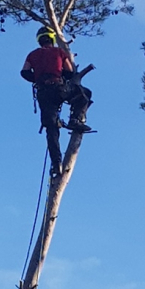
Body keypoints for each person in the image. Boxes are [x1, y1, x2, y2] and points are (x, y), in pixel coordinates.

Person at [20, 26, 92, 177]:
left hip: (43, 93)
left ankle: (56, 164)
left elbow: (25, 72)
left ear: (39, 40)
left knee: (51, 129)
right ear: (52, 38)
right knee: (83, 94)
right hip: (58, 88)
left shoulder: (32, 55)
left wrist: (38, 79)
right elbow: (69, 71)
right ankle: (75, 120)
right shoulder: (59, 52)